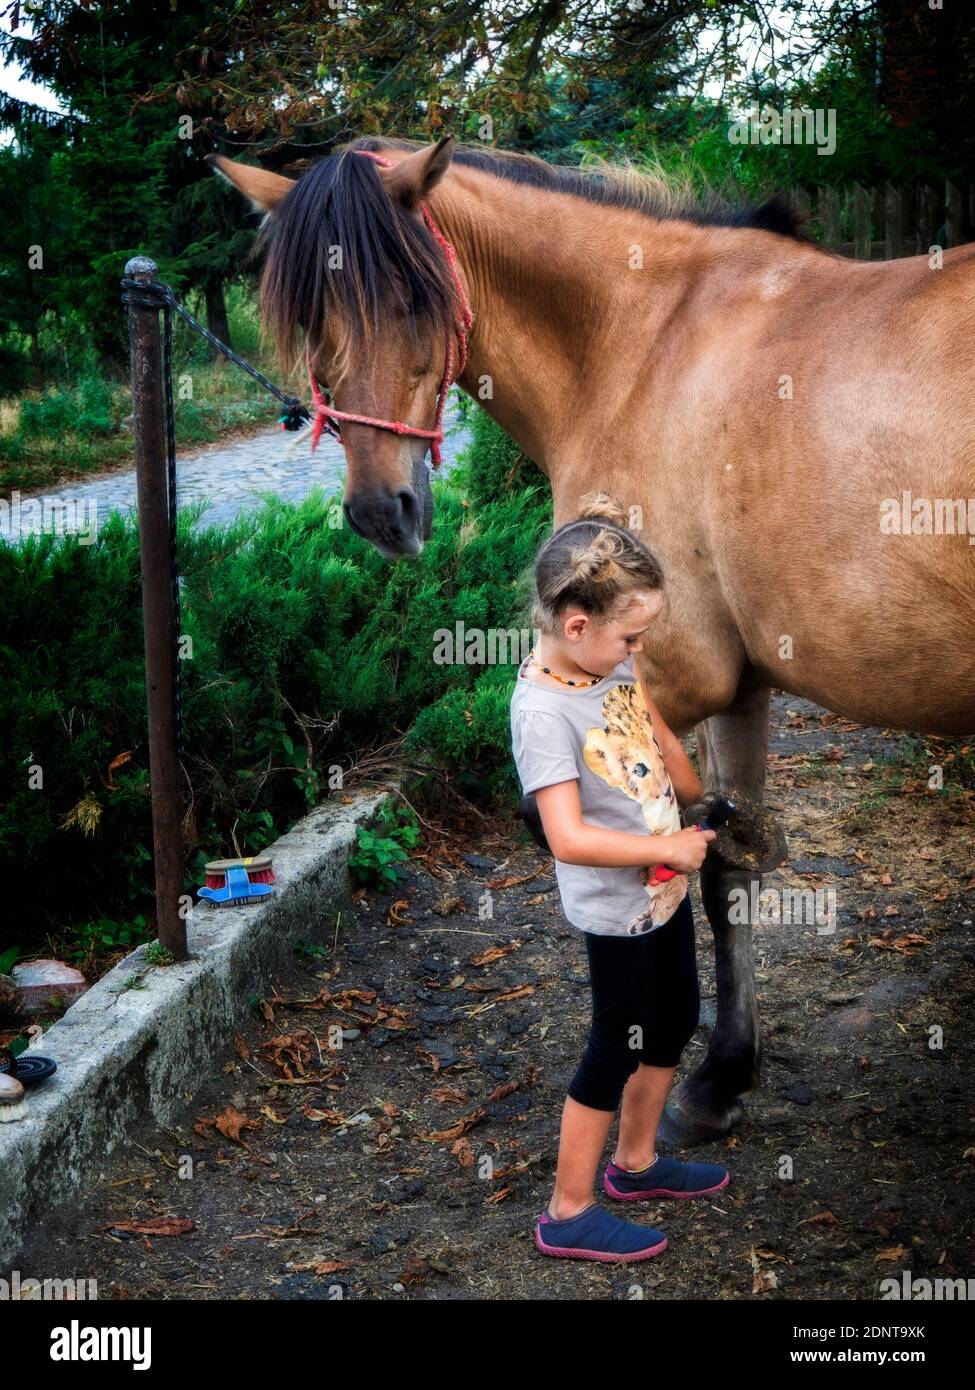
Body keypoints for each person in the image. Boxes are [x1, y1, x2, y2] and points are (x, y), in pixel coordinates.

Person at [509, 492, 730, 1263]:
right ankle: (568, 1211)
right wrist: (662, 844)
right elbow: (566, 837)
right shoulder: (542, 714)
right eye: (629, 637)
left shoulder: (606, 672)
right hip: (615, 905)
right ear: (576, 626)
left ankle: (634, 1166)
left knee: (673, 1019)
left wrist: (689, 789)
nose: (636, 651)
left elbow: (653, 740)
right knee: (614, 1043)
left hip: (661, 887)